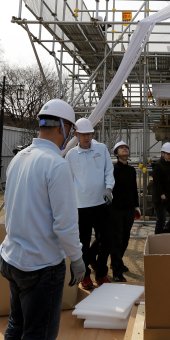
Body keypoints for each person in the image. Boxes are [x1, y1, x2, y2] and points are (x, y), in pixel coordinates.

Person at [0, 99, 84, 340]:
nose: (71, 138)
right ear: (64, 128)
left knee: (15, 331)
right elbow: (65, 223)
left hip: (12, 260)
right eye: (71, 132)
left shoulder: (20, 158)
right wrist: (76, 259)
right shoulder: (56, 165)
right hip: (41, 267)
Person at [66, 118, 115, 289]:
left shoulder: (101, 149)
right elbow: (68, 179)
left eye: (89, 134)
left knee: (107, 240)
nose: (86, 137)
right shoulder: (71, 155)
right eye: (83, 134)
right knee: (83, 242)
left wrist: (109, 188)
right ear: (76, 135)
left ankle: (101, 274)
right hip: (81, 206)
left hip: (102, 203)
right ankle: (85, 275)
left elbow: (109, 170)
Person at [110, 140, 141, 282]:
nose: (124, 149)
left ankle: (118, 262)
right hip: (116, 210)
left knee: (125, 238)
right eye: (121, 148)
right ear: (116, 153)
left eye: (126, 148)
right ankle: (116, 271)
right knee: (116, 240)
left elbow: (134, 190)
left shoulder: (131, 170)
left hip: (129, 209)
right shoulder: (112, 170)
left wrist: (136, 207)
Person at [152, 142, 170, 234]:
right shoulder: (158, 166)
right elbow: (157, 183)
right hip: (160, 199)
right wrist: (162, 195)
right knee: (161, 220)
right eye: (168, 154)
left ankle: (166, 232)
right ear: (162, 154)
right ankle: (157, 238)